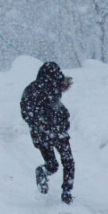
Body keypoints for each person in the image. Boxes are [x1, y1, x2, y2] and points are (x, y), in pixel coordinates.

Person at [20, 62, 75, 204]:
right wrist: (61, 124)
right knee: (67, 161)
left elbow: (26, 113)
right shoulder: (52, 89)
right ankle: (67, 192)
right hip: (57, 133)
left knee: (52, 164)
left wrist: (36, 125)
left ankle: (44, 171)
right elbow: (60, 112)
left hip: (40, 134)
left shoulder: (30, 89)